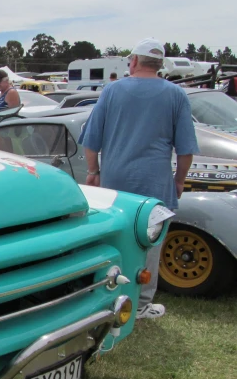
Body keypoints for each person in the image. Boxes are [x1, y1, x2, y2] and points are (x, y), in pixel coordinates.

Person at [81, 37, 199, 320]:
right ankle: (142, 303)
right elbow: (185, 150)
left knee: (113, 240)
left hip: (115, 184)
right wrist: (179, 181)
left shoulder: (111, 91)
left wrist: (93, 171)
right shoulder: (176, 94)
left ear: (133, 61)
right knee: (151, 245)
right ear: (159, 65)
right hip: (155, 185)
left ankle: (108, 297)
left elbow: (91, 141)